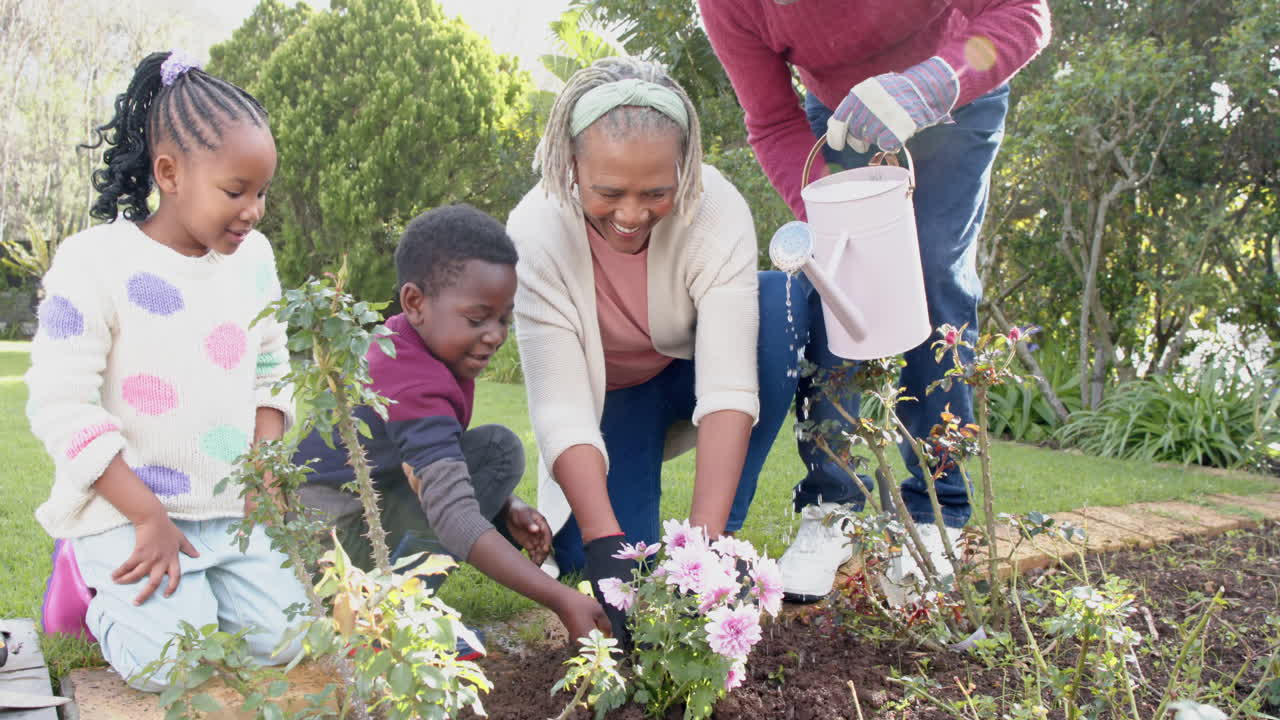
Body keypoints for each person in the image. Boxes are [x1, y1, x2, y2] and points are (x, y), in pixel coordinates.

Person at [699, 0, 1052, 601]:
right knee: (835, 283)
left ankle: (938, 508)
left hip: (957, 99)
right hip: (843, 125)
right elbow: (773, 120)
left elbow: (1022, 13)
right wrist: (830, 213)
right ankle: (834, 507)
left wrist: (931, 84)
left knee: (933, 276)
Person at [25, 50, 307, 690]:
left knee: (289, 640)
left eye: (261, 192)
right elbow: (60, 405)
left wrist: (264, 470)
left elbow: (271, 368)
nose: (254, 210)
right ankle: (89, 587)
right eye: (235, 192)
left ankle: (198, 596)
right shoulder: (93, 262)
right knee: (174, 666)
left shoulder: (254, 259)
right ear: (170, 173)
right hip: (127, 510)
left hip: (230, 508)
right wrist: (148, 517)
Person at [507, 57, 802, 638]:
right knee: (602, 560)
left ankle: (722, 539)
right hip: (611, 399)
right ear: (571, 165)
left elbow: (729, 384)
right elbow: (560, 407)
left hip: (687, 373)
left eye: (656, 192)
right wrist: (603, 539)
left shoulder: (715, 208)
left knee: (781, 301)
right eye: (608, 192)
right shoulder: (535, 232)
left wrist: (702, 552)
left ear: (684, 169)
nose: (631, 214)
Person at [294, 205, 610, 654]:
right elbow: (452, 512)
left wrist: (506, 505)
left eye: (503, 318)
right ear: (415, 303)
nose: (495, 335)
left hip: (358, 519)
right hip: (324, 552)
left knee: (495, 449)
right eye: (477, 319)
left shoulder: (412, 345)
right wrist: (561, 598)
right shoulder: (409, 375)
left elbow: (429, 456)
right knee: (497, 451)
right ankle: (387, 620)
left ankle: (390, 606)